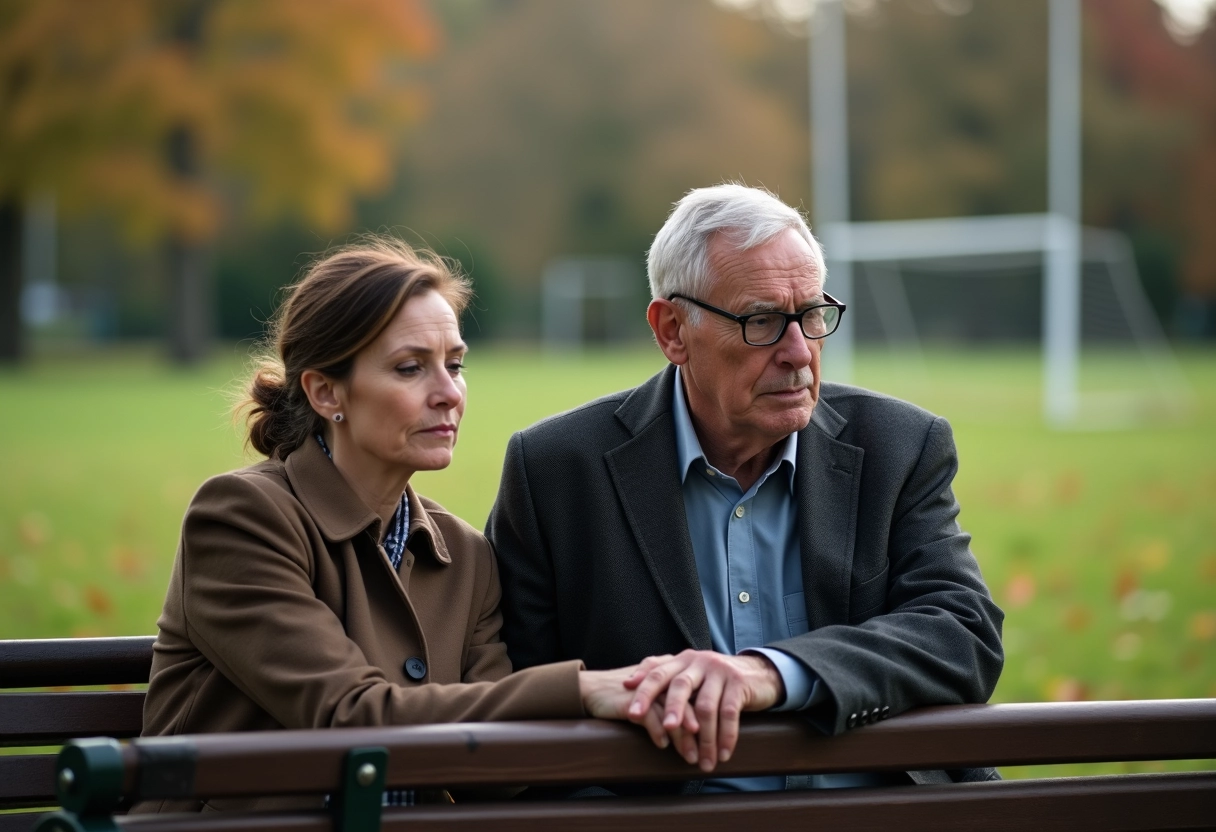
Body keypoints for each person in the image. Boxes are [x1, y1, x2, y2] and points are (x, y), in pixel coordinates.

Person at [487, 184, 1005, 793]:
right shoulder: (556, 470)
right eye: (761, 321)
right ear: (672, 330)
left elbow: (961, 630)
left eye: (812, 315)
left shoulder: (899, 446)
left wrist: (772, 674)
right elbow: (521, 704)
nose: (799, 353)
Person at [137, 237, 677, 813]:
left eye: (456, 364)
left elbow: (496, 778)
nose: (448, 394)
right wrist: (581, 690)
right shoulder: (242, 518)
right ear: (325, 392)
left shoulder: (466, 556)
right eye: (410, 368)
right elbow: (349, 716)